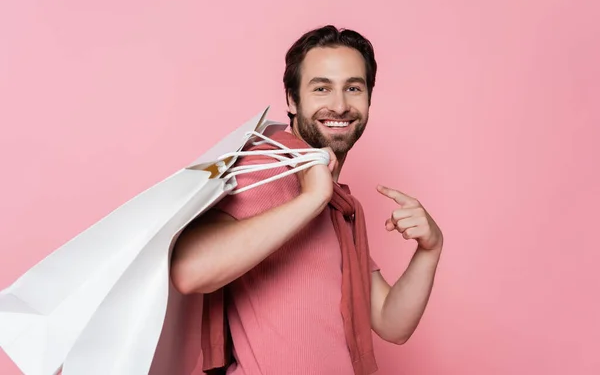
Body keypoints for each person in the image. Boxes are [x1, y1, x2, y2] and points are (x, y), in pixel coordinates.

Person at [170, 25, 443, 375]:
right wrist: (311, 199)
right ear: (292, 99)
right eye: (321, 88)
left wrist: (429, 250)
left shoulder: (341, 207)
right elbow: (189, 270)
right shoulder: (266, 166)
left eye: (353, 88)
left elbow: (391, 321)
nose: (340, 105)